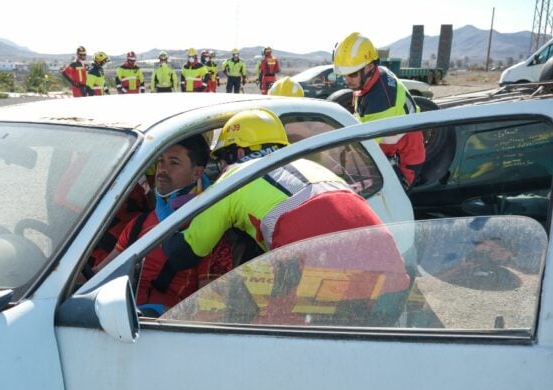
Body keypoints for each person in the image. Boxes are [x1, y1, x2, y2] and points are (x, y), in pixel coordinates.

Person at [162, 108, 387, 269]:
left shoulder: (236, 177)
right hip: (390, 265)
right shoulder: (311, 166)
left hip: (329, 278)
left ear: (238, 153)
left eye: (222, 158)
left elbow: (184, 254)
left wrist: (161, 216)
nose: (221, 167)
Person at [95, 135, 233, 315]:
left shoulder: (209, 231)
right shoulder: (140, 223)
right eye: (161, 161)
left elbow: (212, 312)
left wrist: (162, 313)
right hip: (118, 322)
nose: (162, 169)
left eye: (174, 162)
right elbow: (99, 275)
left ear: (197, 173)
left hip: (165, 333)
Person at [333, 32, 425, 190]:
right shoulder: (372, 76)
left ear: (369, 66)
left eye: (352, 74)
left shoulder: (381, 101)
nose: (347, 80)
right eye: (343, 74)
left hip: (404, 162)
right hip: (391, 148)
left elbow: (364, 149)